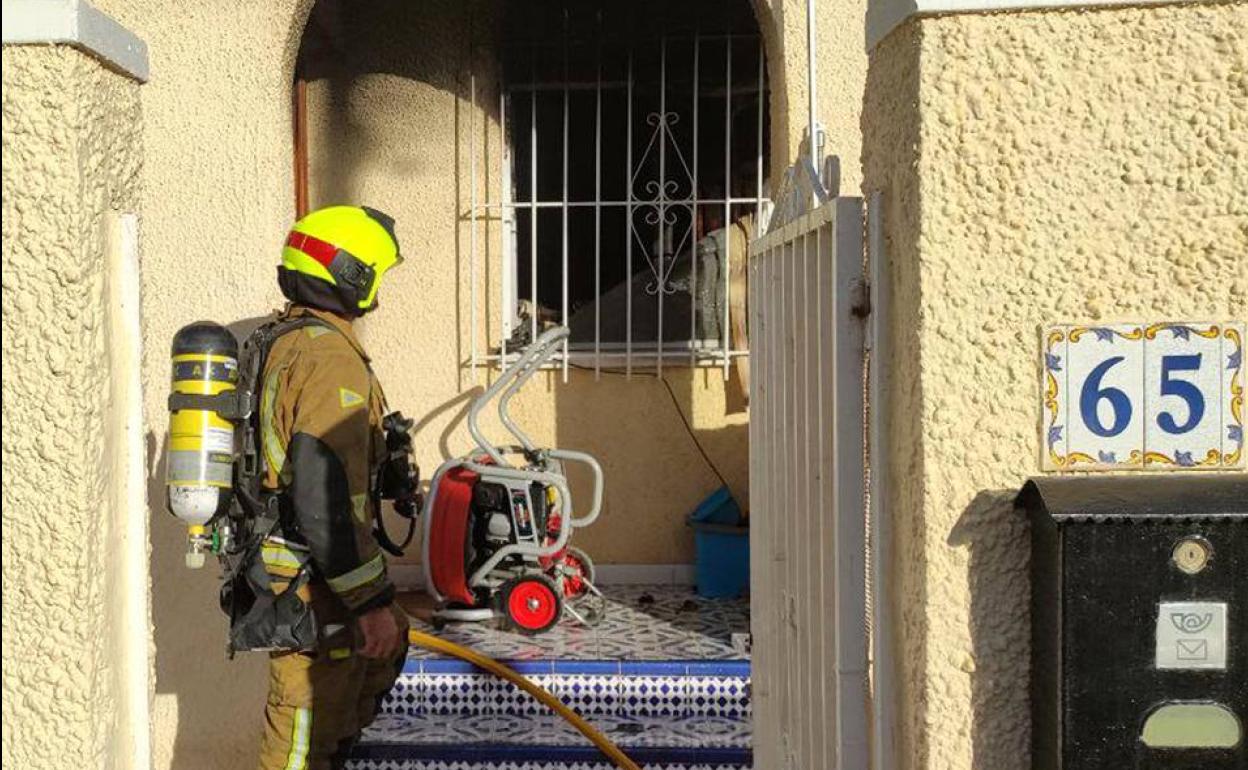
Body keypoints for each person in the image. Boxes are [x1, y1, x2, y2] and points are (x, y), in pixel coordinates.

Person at [254, 205, 410, 770]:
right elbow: (321, 492)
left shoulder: (291, 339)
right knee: (303, 733)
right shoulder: (326, 356)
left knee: (354, 688)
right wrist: (368, 601)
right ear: (351, 273)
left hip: (308, 576)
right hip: (312, 583)